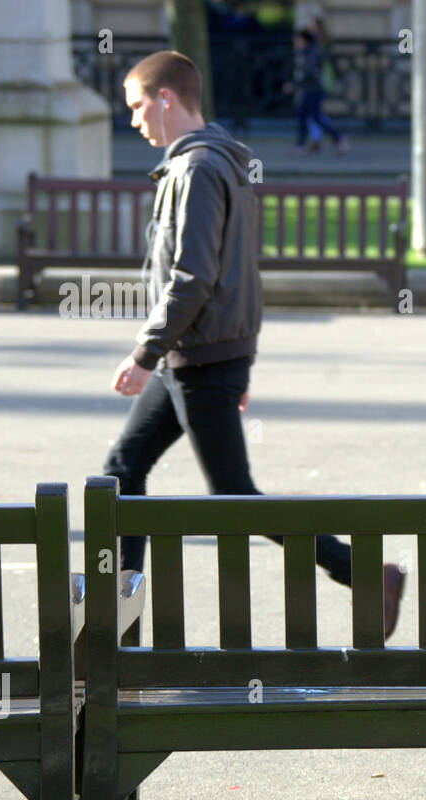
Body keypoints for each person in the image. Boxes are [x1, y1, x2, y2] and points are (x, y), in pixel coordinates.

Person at [106, 50, 405, 636]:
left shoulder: (197, 170)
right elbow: (240, 273)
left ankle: (364, 572)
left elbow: (195, 278)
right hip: (199, 355)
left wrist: (146, 353)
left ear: (166, 99)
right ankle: (118, 623)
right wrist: (234, 360)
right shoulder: (214, 162)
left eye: (137, 106)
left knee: (234, 497)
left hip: (196, 358)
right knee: (123, 468)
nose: (134, 120)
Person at [286, 28, 347, 155]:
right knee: (307, 115)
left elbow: (309, 72)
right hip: (312, 89)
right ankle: (305, 144)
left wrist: (294, 84)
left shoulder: (312, 52)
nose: (295, 43)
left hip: (314, 89)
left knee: (313, 116)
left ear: (304, 40)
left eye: (297, 40)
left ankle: (338, 139)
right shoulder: (309, 51)